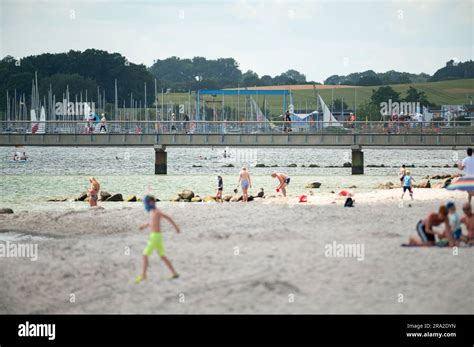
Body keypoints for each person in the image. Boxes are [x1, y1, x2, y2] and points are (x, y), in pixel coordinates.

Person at [135, 195, 180, 284]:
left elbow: (168, 218)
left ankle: (143, 275)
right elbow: (152, 223)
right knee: (162, 256)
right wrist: (144, 226)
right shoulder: (152, 212)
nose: (146, 205)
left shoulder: (157, 211)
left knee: (145, 254)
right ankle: (174, 273)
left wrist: (176, 227)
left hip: (155, 237)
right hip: (157, 236)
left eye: (147, 203)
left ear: (151, 203)